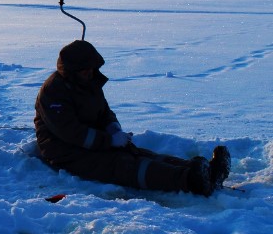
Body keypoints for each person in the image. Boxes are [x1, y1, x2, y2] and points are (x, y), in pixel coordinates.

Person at [34, 39, 230, 197]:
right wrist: (108, 140)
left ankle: (202, 171)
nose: (90, 73)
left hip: (94, 143)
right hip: (65, 152)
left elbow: (103, 111)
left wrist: (112, 127)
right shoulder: (54, 92)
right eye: (85, 69)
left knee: (139, 154)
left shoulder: (87, 83)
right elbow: (70, 133)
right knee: (125, 167)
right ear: (72, 70)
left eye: (92, 68)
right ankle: (191, 181)